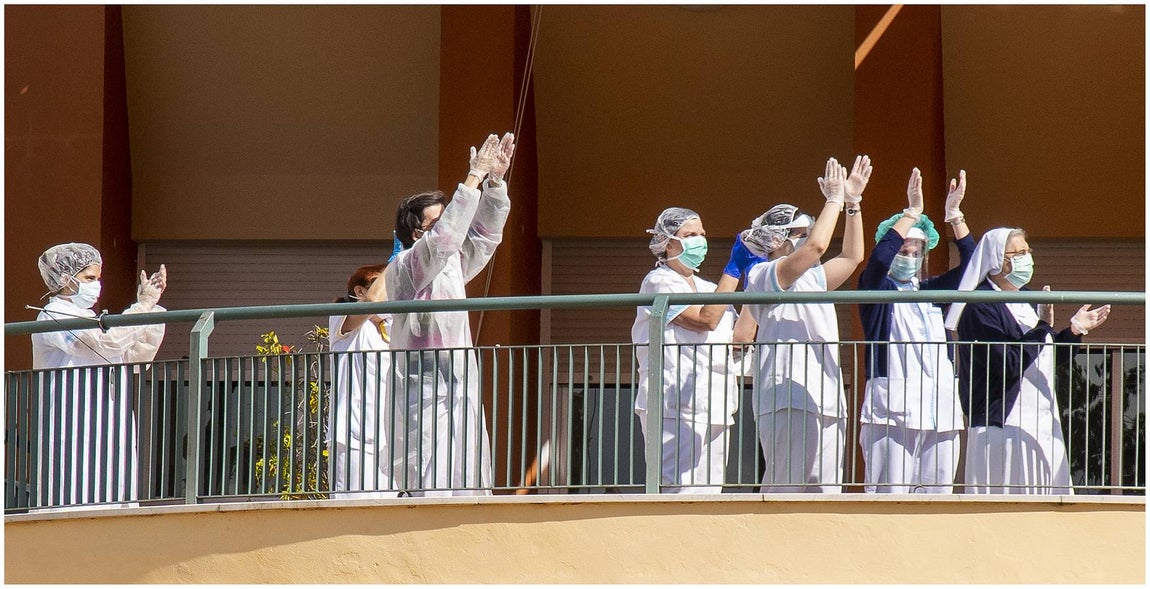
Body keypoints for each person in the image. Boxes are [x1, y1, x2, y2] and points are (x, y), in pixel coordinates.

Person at [384, 132, 515, 496]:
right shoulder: (407, 267)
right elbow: (443, 240)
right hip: (420, 389)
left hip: (458, 379)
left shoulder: (452, 263)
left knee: (465, 465)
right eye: (437, 222)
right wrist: (472, 178)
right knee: (429, 470)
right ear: (415, 231)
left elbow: (486, 236)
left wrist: (495, 184)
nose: (449, 229)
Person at [729, 156, 869, 493]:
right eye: (798, 233)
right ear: (776, 238)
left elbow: (852, 257)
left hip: (826, 395)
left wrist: (853, 204)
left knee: (826, 492)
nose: (808, 237)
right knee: (786, 488)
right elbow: (817, 246)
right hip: (786, 396)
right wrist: (833, 200)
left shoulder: (813, 279)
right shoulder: (763, 274)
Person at [945, 227, 1111, 494]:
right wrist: (1043, 326)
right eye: (1019, 253)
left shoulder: (1027, 300)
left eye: (1028, 252)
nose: (1027, 259)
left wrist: (1075, 331)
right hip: (1003, 423)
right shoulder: (979, 305)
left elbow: (1044, 357)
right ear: (997, 260)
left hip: (1041, 420)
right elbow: (1009, 361)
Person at [857, 168, 974, 493]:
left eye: (915, 252)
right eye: (901, 250)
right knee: (888, 497)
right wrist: (911, 213)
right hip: (893, 413)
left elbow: (972, 268)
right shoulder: (875, 290)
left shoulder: (933, 293)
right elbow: (878, 260)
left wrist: (955, 216)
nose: (908, 257)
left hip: (939, 412)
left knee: (937, 498)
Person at [31, 243, 167, 507]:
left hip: (110, 420)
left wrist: (150, 310)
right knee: (72, 490)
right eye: (89, 278)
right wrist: (140, 308)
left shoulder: (93, 320)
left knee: (114, 490)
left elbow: (133, 359)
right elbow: (106, 344)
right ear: (65, 278)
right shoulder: (53, 315)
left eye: (98, 279)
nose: (96, 285)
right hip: (71, 421)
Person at [631, 207, 742, 493]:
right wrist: (733, 270)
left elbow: (741, 337)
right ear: (668, 244)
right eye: (690, 234)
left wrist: (759, 277)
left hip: (716, 404)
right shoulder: (658, 281)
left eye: (702, 234)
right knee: (677, 493)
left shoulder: (710, 287)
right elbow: (705, 319)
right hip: (673, 405)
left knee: (709, 494)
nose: (700, 240)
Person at [327, 263, 397, 499]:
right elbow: (372, 303)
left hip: (389, 439)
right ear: (359, 292)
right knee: (354, 512)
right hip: (354, 438)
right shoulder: (343, 317)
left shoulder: (391, 328)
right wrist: (395, 265)